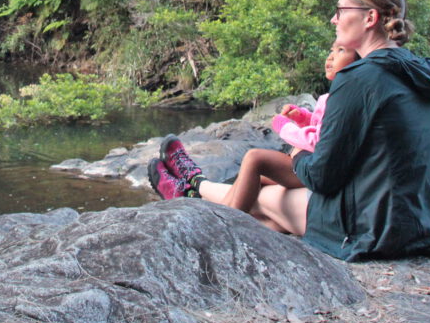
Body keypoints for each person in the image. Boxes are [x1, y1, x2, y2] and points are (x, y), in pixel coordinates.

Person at [150, 0, 430, 261]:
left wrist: (298, 152)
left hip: (375, 231)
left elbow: (322, 176)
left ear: (370, 18)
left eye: (340, 10)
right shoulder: (420, 72)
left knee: (262, 196)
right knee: (269, 209)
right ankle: (193, 188)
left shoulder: (360, 78)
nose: (333, 19)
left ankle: (193, 190)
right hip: (425, 225)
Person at [148, 41, 358, 231]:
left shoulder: (344, 98)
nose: (330, 57)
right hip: (316, 178)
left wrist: (284, 127)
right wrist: (302, 118)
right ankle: (192, 191)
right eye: (331, 50)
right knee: (263, 206)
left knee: (255, 160)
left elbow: (318, 139)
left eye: (341, 50)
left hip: (317, 174)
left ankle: (208, 214)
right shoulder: (336, 96)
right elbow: (323, 126)